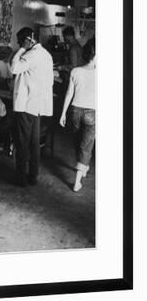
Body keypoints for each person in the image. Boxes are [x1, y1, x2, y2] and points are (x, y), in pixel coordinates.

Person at [10, 27, 54, 186]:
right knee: (34, 142)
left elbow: (13, 68)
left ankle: (21, 178)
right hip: (37, 104)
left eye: (19, 41)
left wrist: (21, 48)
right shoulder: (46, 55)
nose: (18, 44)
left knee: (22, 142)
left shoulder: (30, 54)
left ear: (27, 40)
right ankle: (33, 175)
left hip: (26, 104)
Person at [59, 38, 96, 192]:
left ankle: (83, 166)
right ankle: (77, 182)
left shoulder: (75, 71)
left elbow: (69, 94)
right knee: (86, 146)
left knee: (77, 142)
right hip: (92, 113)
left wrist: (62, 113)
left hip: (75, 111)